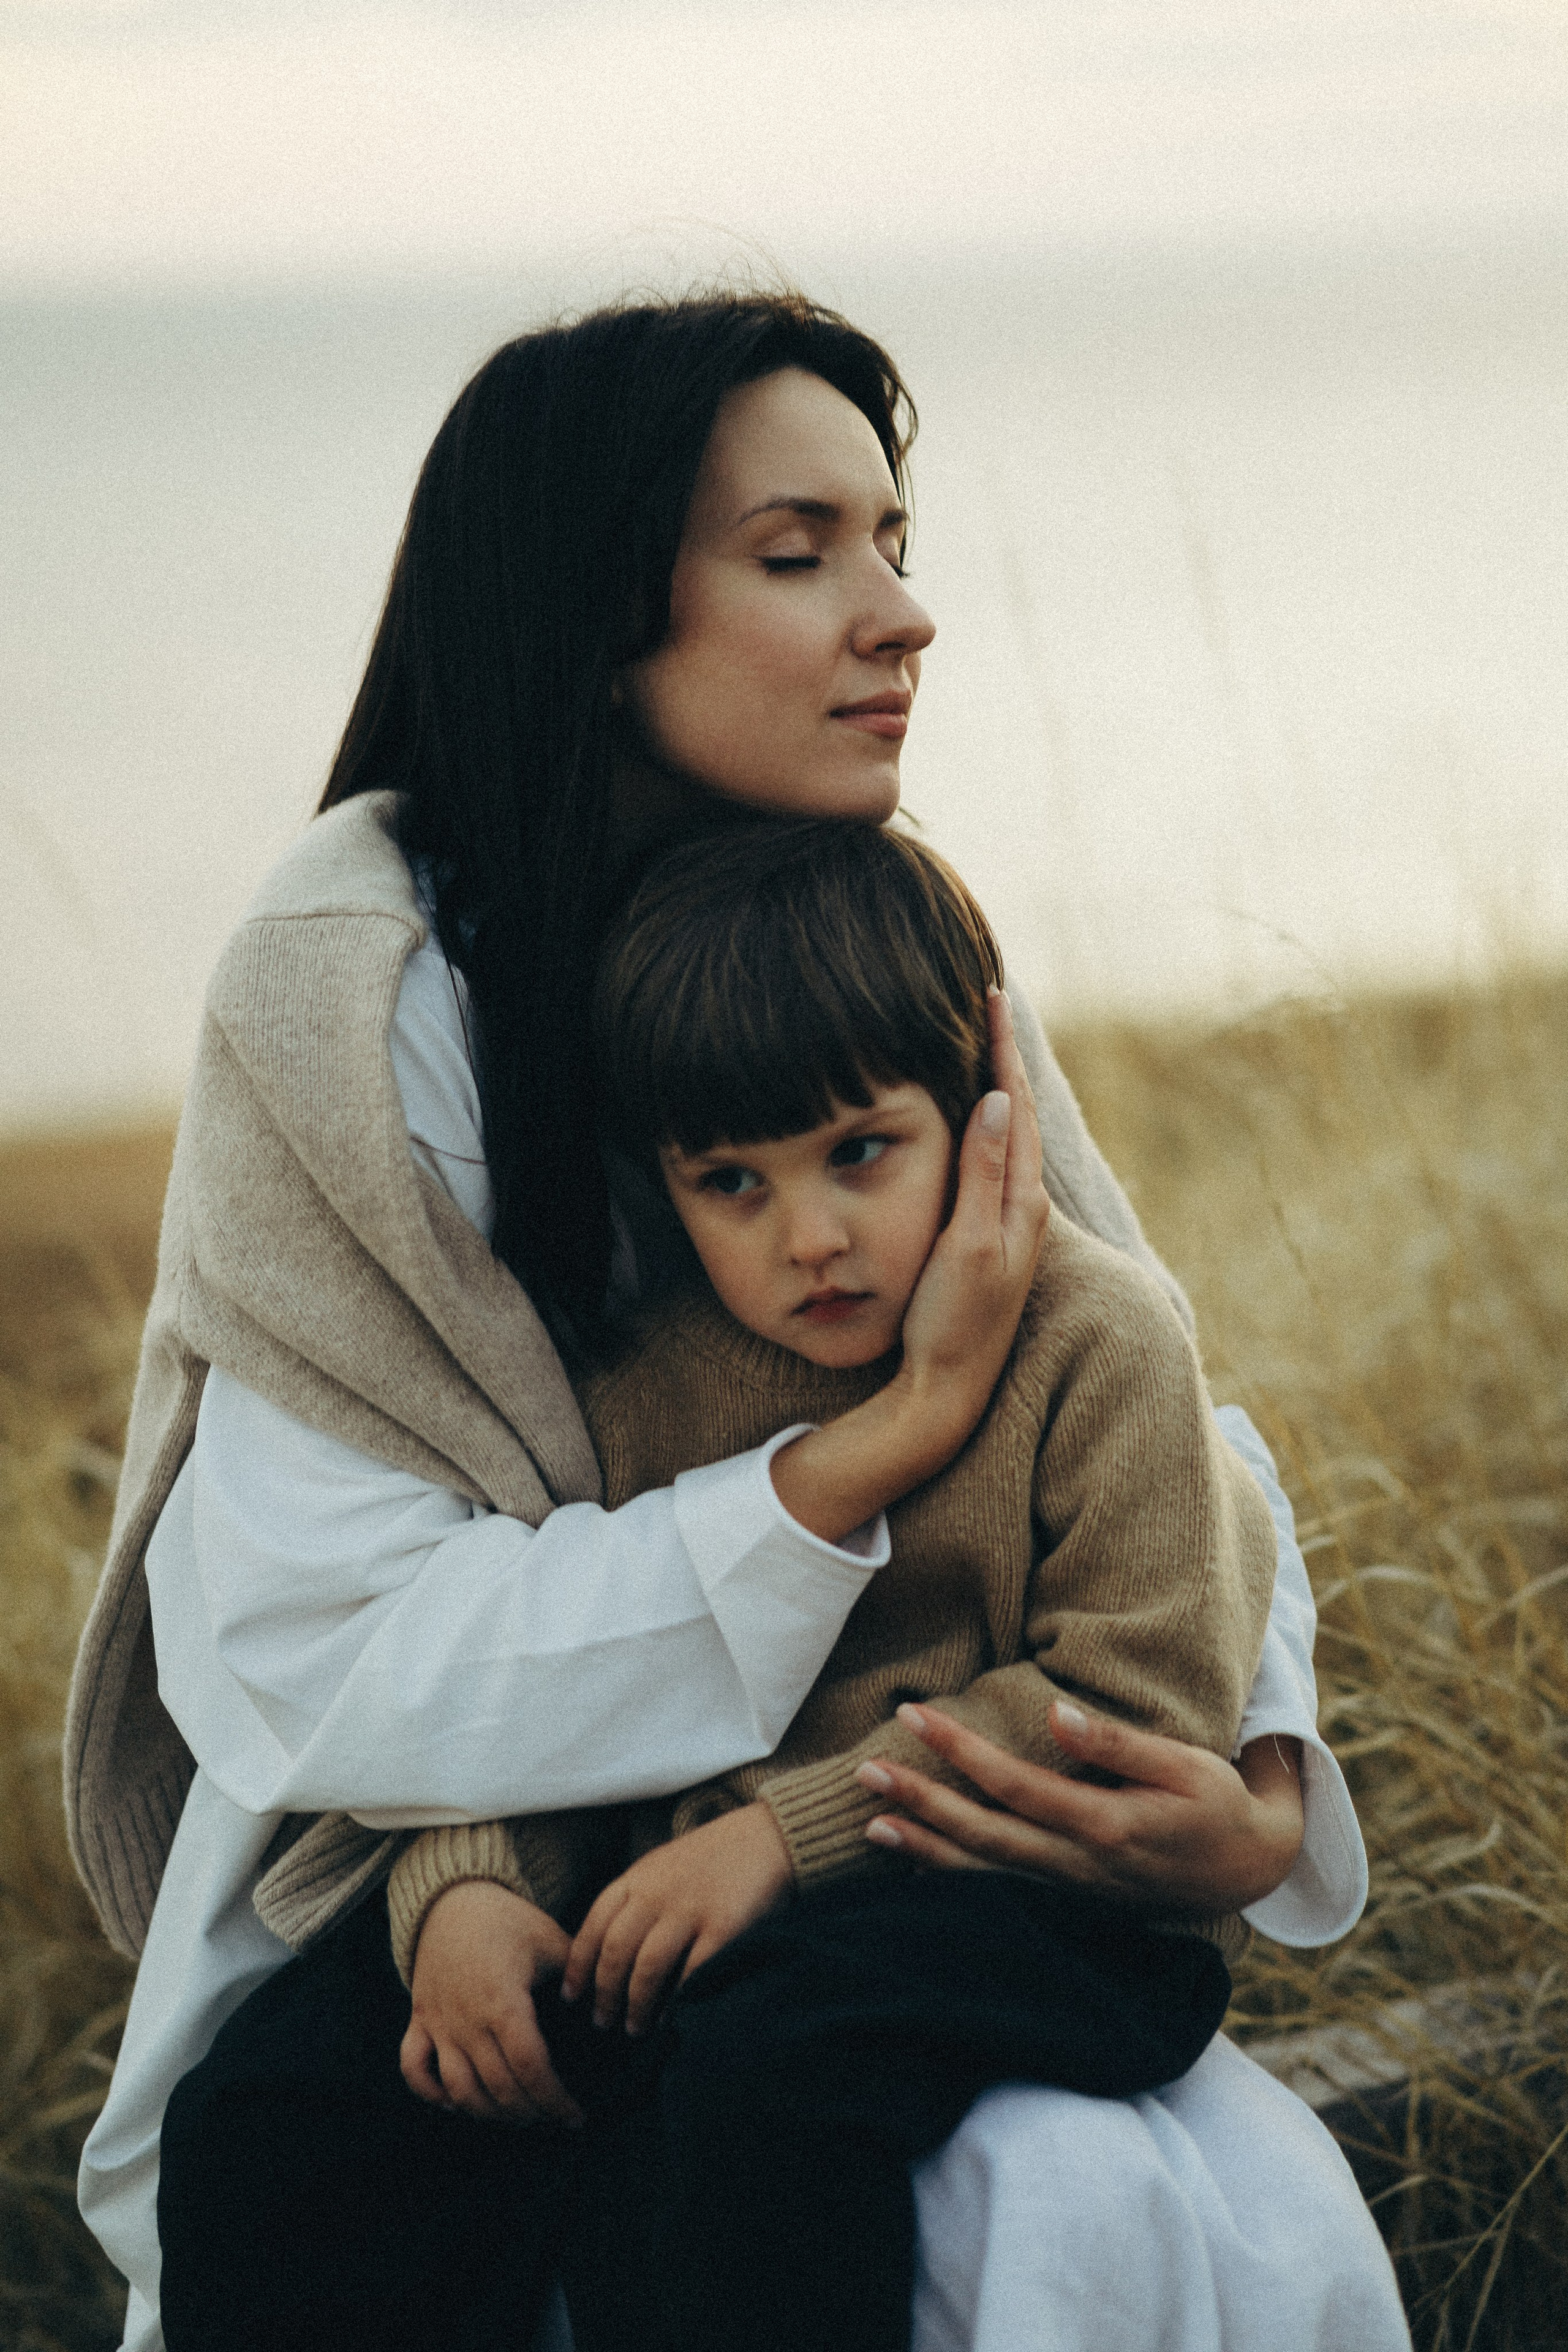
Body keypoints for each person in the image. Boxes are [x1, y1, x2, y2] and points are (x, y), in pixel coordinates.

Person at [64, 291, 1408, 2352]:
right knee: (318, 2149)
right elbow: (324, 1639)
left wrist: (1245, 1780)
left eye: (896, 540)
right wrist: (476, 1878)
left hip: (887, 1820)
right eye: (803, 553)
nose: (904, 615)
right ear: (597, 610)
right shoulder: (354, 984)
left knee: (1046, 2187)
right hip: (498, 1844)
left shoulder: (861, 912)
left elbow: (1142, 1392)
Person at [378, 815, 1279, 2352]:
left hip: (1048, 1910)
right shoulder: (645, 1389)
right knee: (341, 2101)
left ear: (980, 1114)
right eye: (730, 1181)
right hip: (734, 1916)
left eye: (859, 1152)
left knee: (761, 2058)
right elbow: (562, 1662)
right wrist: (456, 1885)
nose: (809, 1239)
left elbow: (1135, 1701)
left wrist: (782, 1844)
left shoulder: (1099, 1340)